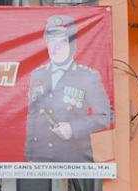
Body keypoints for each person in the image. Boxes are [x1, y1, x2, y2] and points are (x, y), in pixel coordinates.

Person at [24, 15, 112, 163]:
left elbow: (106, 116)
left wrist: (73, 128)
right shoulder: (37, 74)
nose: (56, 47)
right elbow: (33, 115)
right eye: (52, 41)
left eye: (63, 41)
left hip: (73, 160)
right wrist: (29, 157)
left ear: (72, 45)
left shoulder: (88, 76)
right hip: (40, 161)